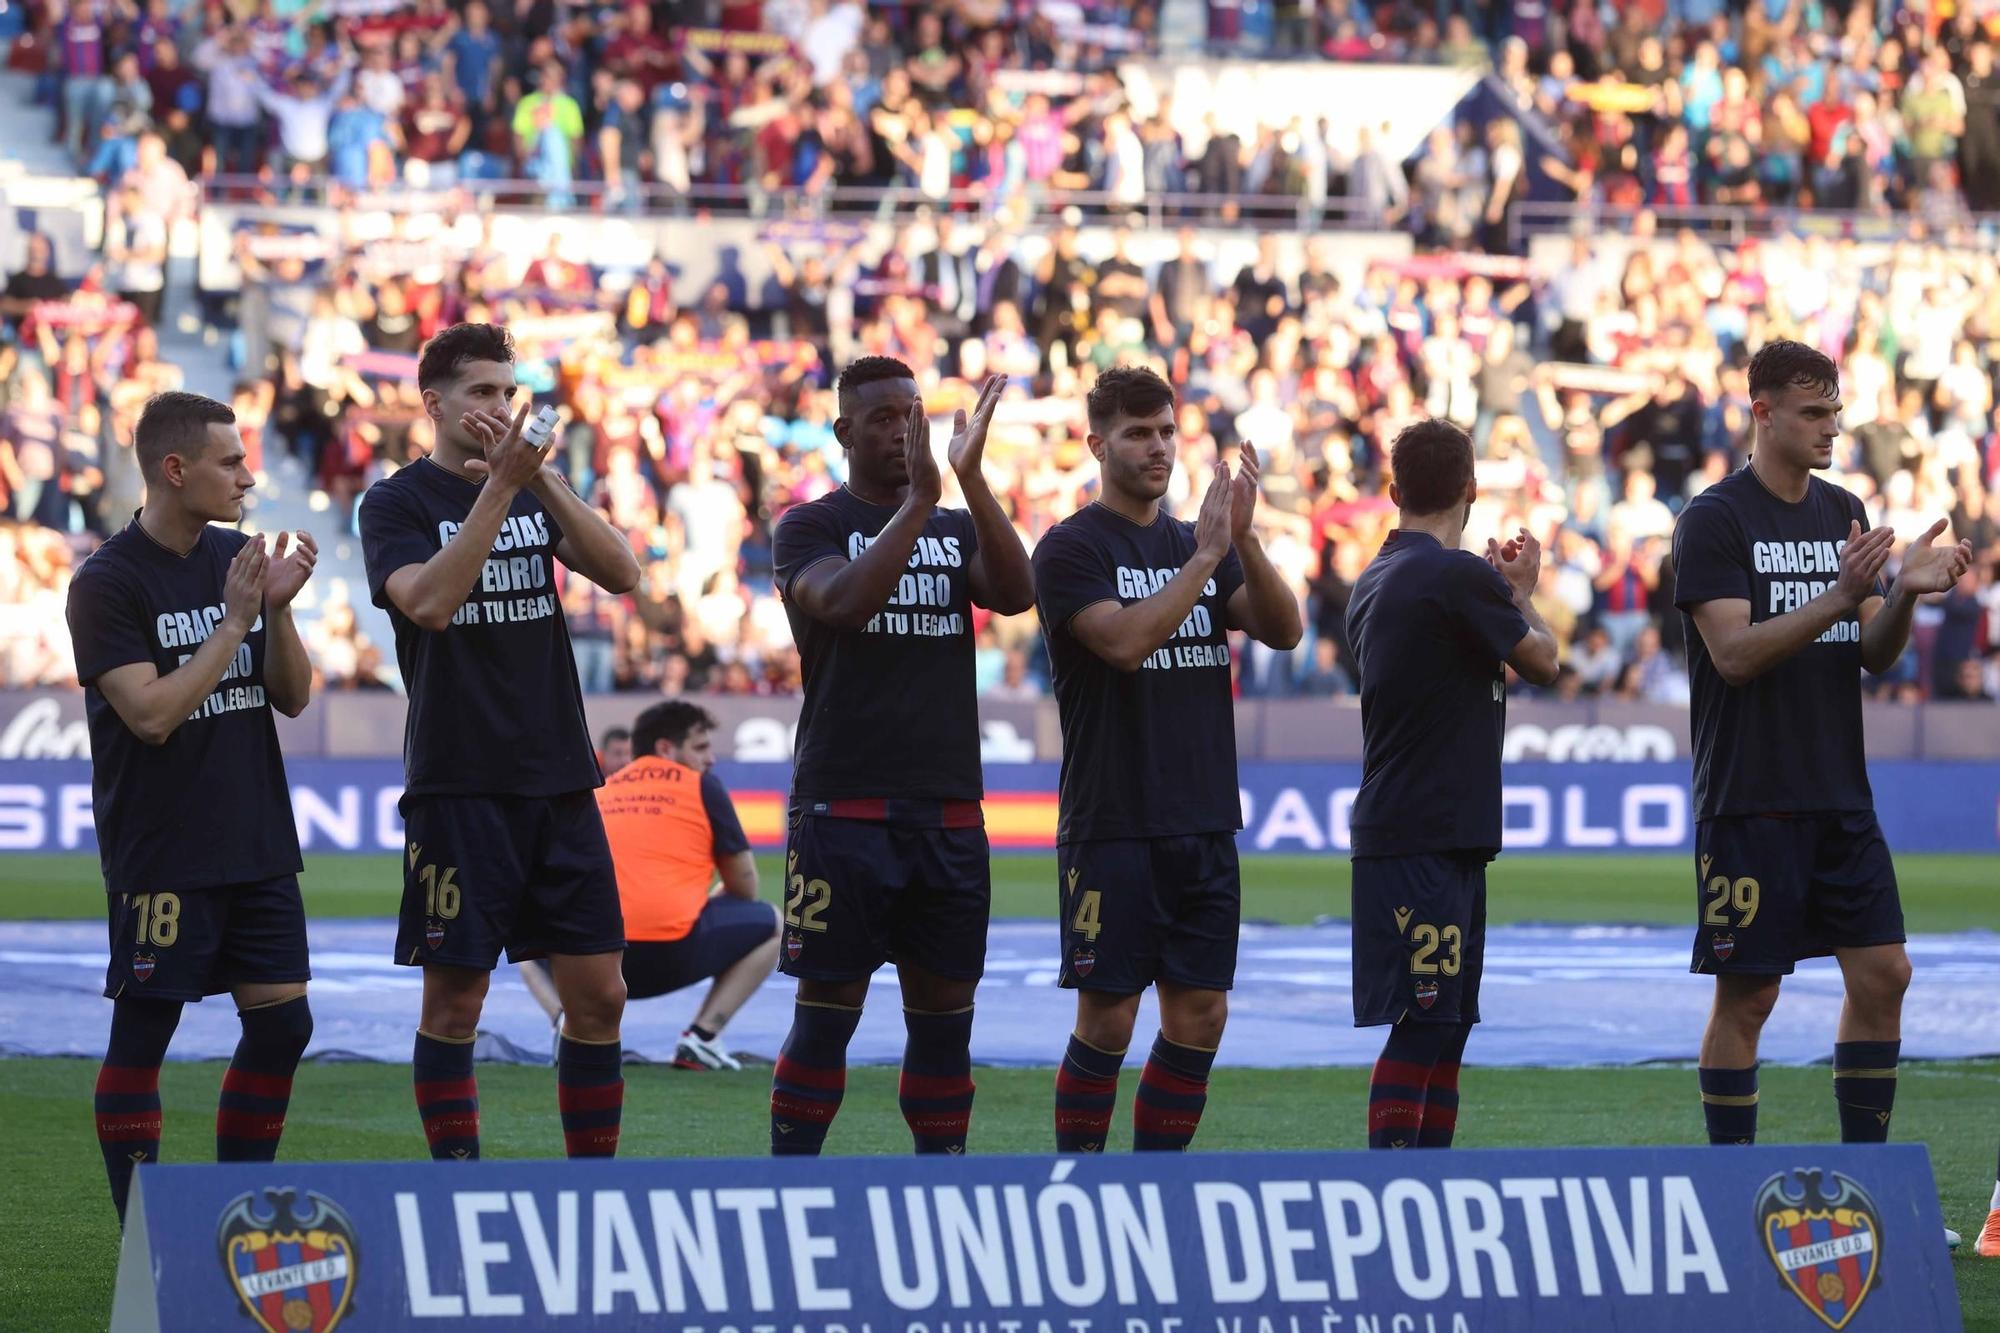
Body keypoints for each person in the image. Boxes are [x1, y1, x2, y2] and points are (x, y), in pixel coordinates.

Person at [1672, 339, 1970, 1149]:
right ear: (1761, 413)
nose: (1830, 427)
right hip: (1750, 793)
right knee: (1750, 995)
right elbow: (1732, 656)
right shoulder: (1713, 519)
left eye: (1834, 411)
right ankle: (1734, 1184)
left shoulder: (1844, 511)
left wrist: (1901, 595)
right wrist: (1841, 596)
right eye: (1812, 413)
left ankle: (1866, 1180)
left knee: (1885, 974)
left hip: (1840, 790)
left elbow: (1873, 652)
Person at [358, 323, 641, 1162]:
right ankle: (460, 1184)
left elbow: (622, 572)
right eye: (482, 392)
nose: (499, 408)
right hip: (459, 780)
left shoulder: (532, 486)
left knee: (602, 996)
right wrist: (497, 490)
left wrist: (539, 480)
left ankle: (592, 1189)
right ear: (433, 403)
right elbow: (430, 604)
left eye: (508, 393)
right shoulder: (396, 502)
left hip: (559, 773)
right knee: (455, 1003)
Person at [1030, 365, 1302, 1153]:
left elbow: (1283, 630)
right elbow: (1122, 641)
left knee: (1201, 1015)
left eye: (1165, 432)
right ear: (1096, 444)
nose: (1157, 448)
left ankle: (1156, 1186)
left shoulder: (1201, 542)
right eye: (1137, 433)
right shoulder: (1070, 548)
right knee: (1108, 1017)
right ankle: (1079, 1186)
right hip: (1113, 818)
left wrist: (1241, 538)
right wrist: (1206, 558)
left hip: (1204, 815)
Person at [65, 390, 319, 1220]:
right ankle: (142, 1234)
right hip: (164, 848)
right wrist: (235, 617)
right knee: (144, 1039)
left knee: (283, 1029)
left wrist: (275, 612)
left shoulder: (238, 558)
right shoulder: (106, 582)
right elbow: (151, 714)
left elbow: (292, 696)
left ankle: (235, 1213)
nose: (249, 476)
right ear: (175, 469)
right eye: (231, 460)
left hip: (255, 837)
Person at [768, 361, 1032, 1156]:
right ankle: (791, 1188)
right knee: (825, 1020)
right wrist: (921, 500)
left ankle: (939, 1186)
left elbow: (1018, 594)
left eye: (911, 413)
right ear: (843, 432)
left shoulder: (954, 528)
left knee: (946, 1026)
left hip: (946, 808)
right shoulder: (808, 526)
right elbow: (845, 603)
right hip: (842, 806)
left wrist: (970, 481)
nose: (902, 430)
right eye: (883, 417)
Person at [1344, 419, 1559, 1150]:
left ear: (1395, 491)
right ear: (1472, 488)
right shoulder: (1453, 573)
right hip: (1425, 831)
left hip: (1424, 826)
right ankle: (1396, 1190)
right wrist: (1522, 595)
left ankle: (1425, 1190)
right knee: (1429, 1022)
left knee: (1447, 1022)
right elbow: (1543, 660)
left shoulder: (1376, 576)